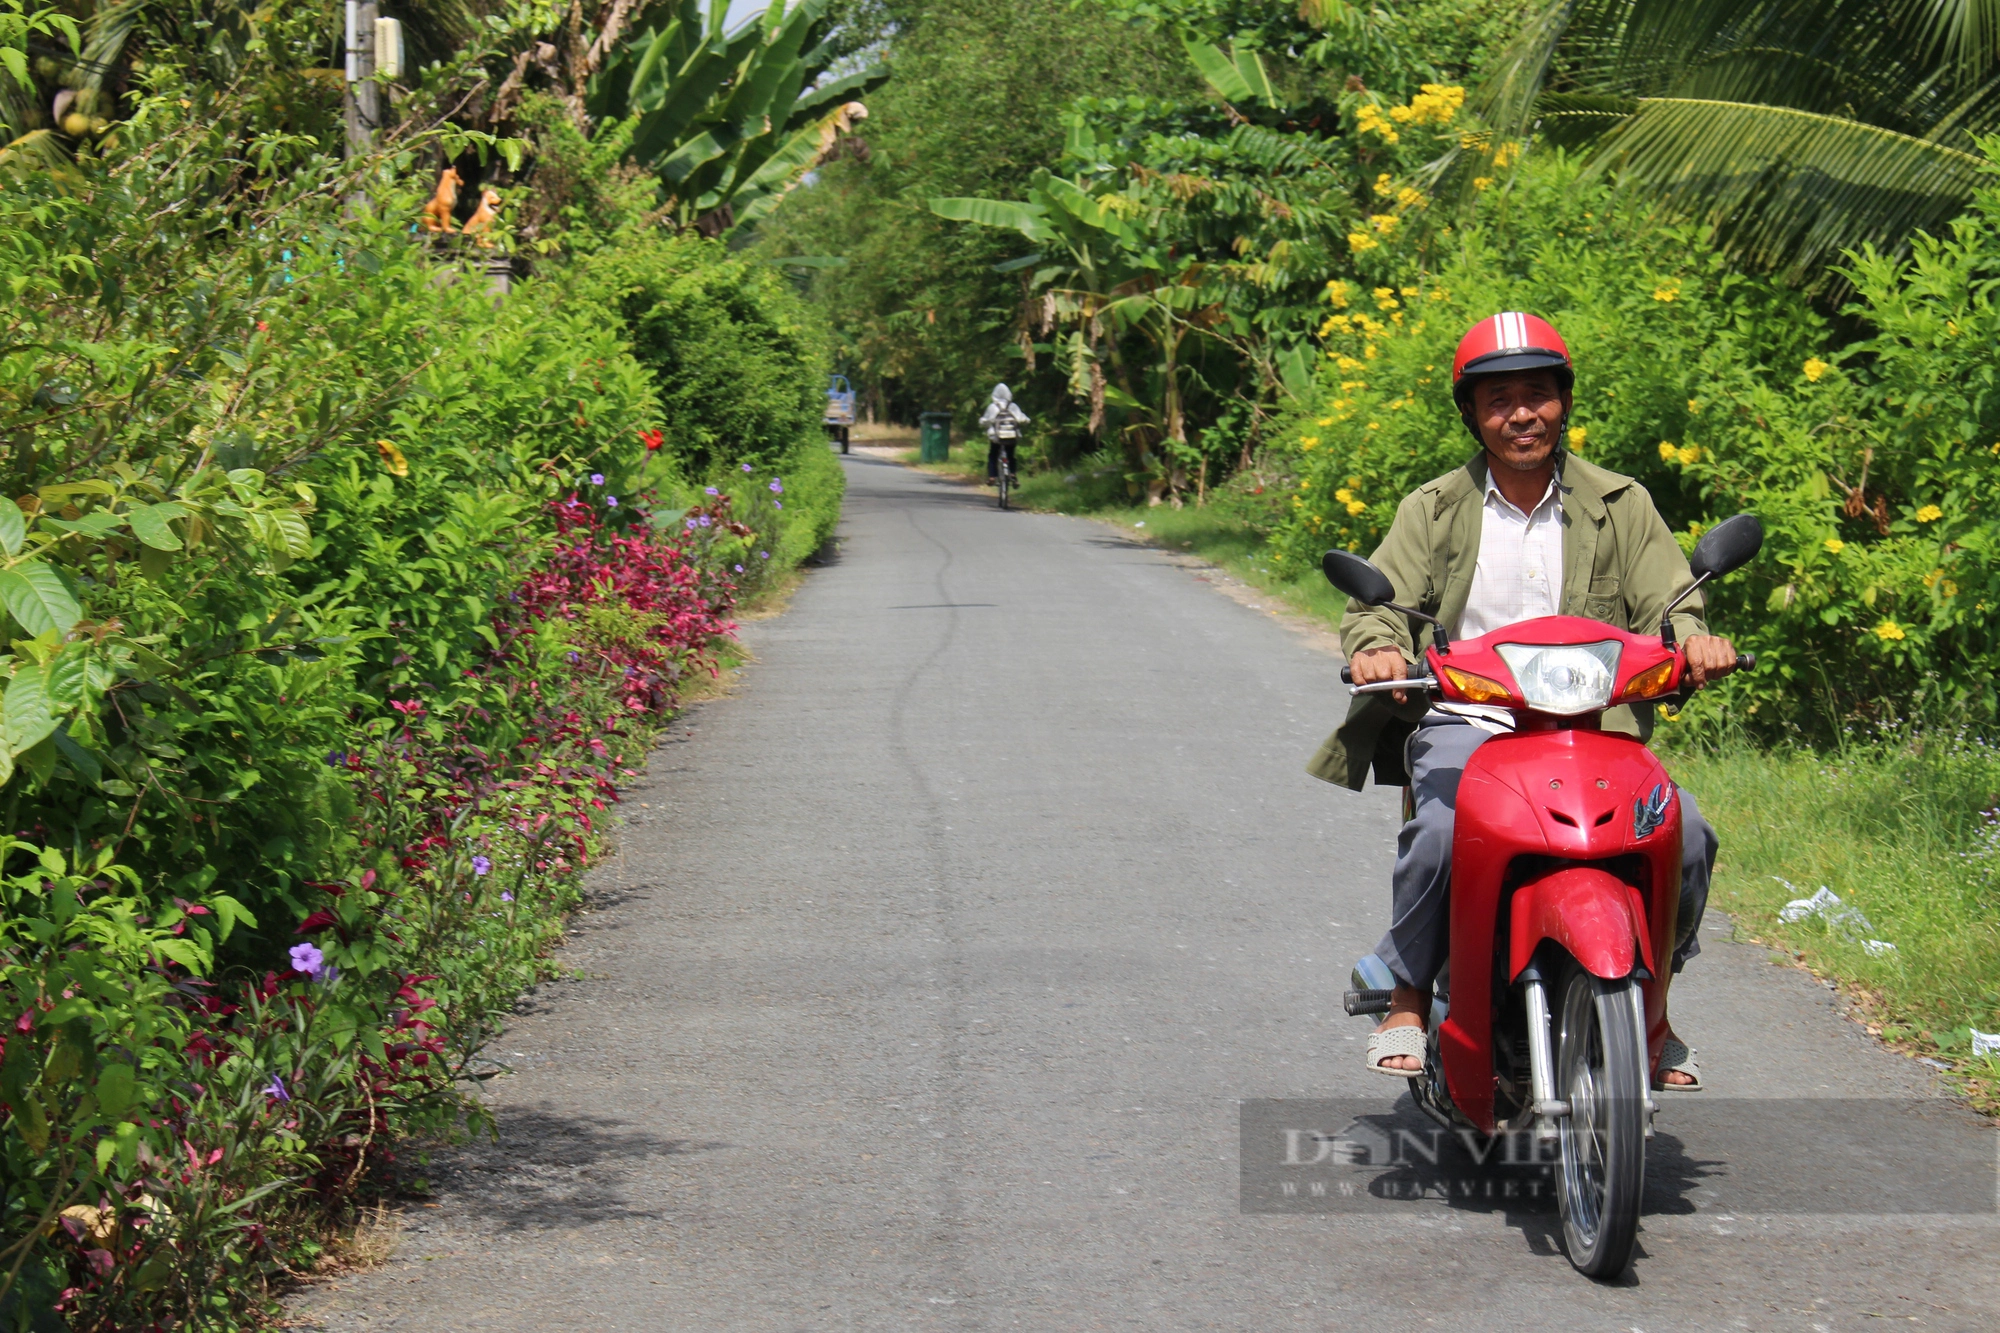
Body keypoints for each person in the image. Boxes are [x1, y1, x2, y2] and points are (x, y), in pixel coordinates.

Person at [1305, 311, 1736, 1087]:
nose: (1520, 415)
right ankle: (1407, 996)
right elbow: (1380, 601)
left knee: (1688, 830)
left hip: (1590, 726)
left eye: (1537, 394)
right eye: (1498, 400)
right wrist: (1376, 647)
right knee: (1441, 827)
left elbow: (1672, 603)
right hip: (1472, 720)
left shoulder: (1622, 502)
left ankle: (1652, 1005)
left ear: (1564, 402)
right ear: (1471, 413)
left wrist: (1694, 641)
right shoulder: (1432, 508)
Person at [979, 383, 1028, 484]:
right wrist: (1026, 421)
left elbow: (986, 420)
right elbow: (1022, 419)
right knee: (1011, 455)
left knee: (993, 455)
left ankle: (992, 477)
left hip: (996, 437)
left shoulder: (993, 407)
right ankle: (1013, 474)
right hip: (1011, 437)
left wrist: (982, 422)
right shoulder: (1013, 406)